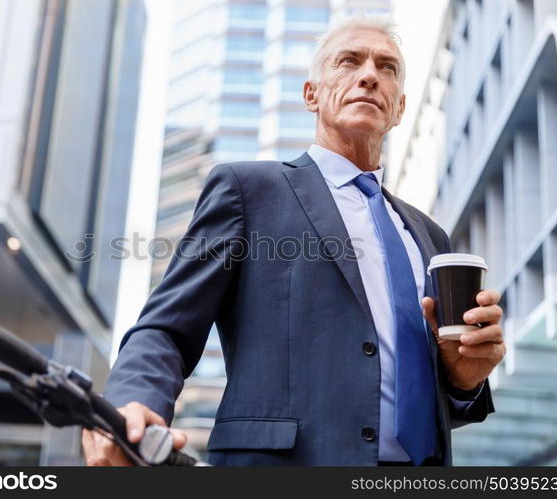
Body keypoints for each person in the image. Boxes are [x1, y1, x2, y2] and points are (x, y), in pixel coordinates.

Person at [82, 14, 505, 466]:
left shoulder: (429, 236)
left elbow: (420, 391)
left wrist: (464, 381)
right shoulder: (247, 190)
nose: (369, 75)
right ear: (311, 95)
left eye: (387, 68)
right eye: (349, 61)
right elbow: (167, 327)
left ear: (400, 106)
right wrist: (132, 402)